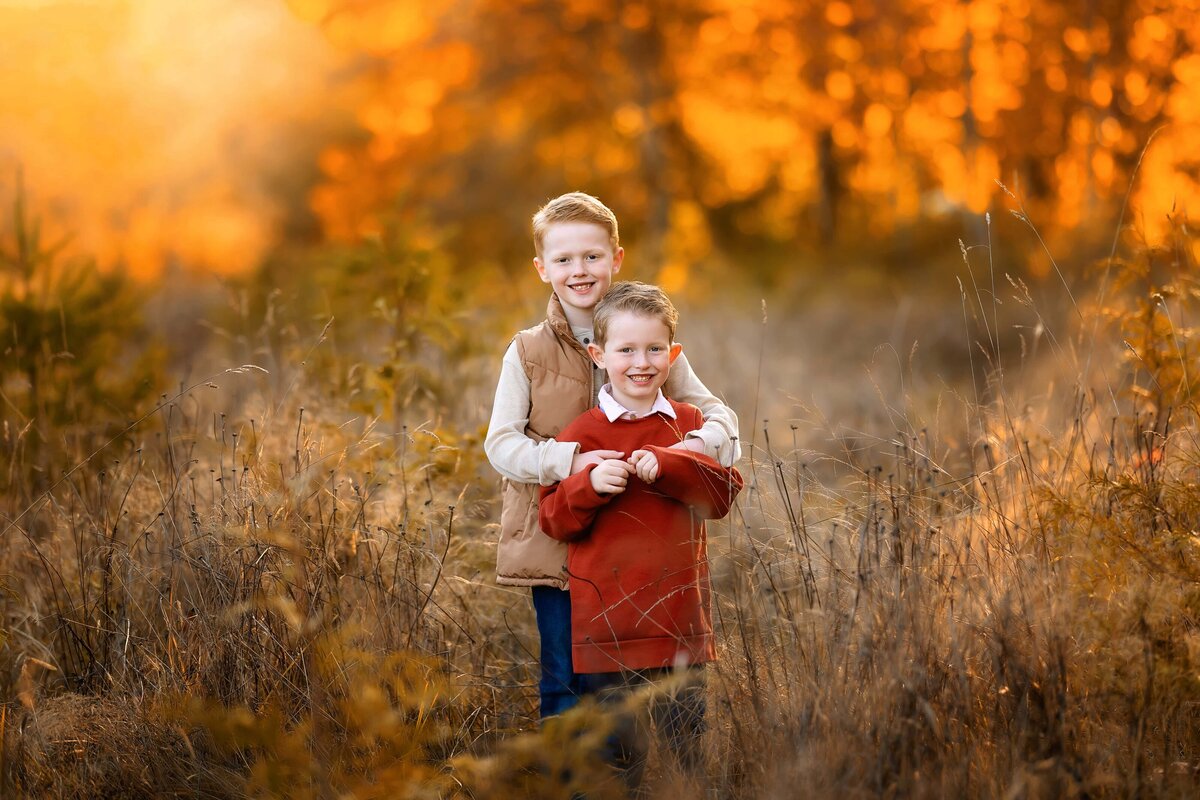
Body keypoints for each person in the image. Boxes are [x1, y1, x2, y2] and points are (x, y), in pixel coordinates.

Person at [484, 193, 741, 721]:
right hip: (554, 544)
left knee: (637, 689)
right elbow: (500, 444)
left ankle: (637, 764)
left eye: (592, 256)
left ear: (616, 258)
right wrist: (571, 462)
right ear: (542, 268)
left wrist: (695, 446)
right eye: (564, 259)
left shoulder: (643, 336)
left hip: (634, 545)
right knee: (566, 680)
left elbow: (719, 418)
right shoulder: (527, 350)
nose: (579, 270)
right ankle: (572, 768)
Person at [537, 281, 744, 789]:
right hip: (607, 629)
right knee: (618, 763)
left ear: (673, 355)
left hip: (678, 625)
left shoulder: (690, 426)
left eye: (654, 349)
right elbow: (554, 520)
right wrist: (588, 485)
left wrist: (673, 463)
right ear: (599, 355)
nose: (641, 363)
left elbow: (721, 498)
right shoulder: (581, 434)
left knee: (685, 753)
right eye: (626, 350)